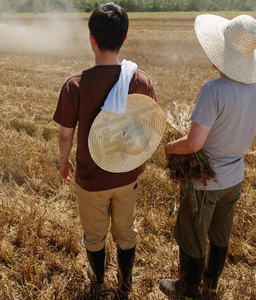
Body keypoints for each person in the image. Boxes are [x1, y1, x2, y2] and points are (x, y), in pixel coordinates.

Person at [53, 2, 162, 296]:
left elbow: (66, 134)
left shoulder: (74, 85)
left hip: (90, 178)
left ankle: (97, 283)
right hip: (128, 174)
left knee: (94, 234)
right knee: (126, 232)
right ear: (124, 38)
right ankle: (126, 285)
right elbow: (150, 126)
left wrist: (64, 162)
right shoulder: (141, 80)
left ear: (91, 39)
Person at [159, 14, 256, 299]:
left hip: (203, 184)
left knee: (193, 237)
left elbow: (194, 143)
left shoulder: (213, 90)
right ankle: (212, 284)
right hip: (234, 179)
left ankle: (188, 288)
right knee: (220, 234)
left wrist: (169, 148)